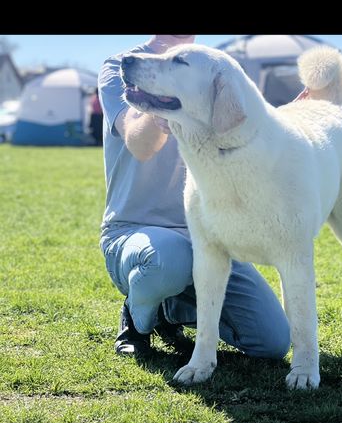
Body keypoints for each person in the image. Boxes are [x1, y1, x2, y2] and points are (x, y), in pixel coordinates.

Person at [98, 34, 291, 360]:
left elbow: (245, 133)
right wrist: (162, 93)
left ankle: (167, 310)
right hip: (136, 232)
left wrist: (295, 115)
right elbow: (140, 145)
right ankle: (137, 317)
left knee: (271, 343)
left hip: (209, 235)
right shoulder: (123, 64)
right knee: (169, 260)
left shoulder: (212, 67)